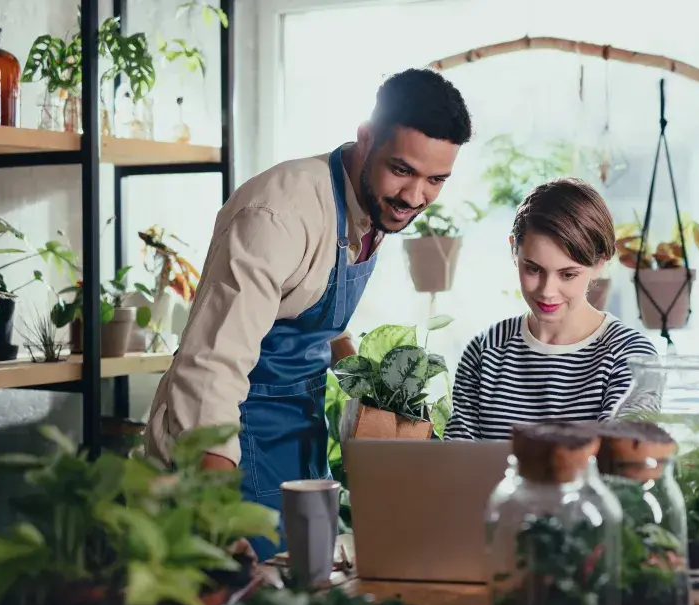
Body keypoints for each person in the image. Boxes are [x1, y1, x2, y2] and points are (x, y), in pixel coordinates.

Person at [144, 68, 473, 559]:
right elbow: (211, 366)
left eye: (436, 180)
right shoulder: (278, 214)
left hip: (300, 438)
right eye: (402, 170)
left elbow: (314, 319)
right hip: (229, 443)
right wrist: (215, 512)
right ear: (366, 137)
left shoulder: (372, 207)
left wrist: (374, 393)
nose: (414, 196)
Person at [444, 178, 657, 441]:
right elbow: (457, 463)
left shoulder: (632, 356)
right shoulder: (484, 351)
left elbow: (622, 462)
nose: (547, 291)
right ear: (514, 249)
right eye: (533, 269)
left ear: (599, 263)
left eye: (567, 274)